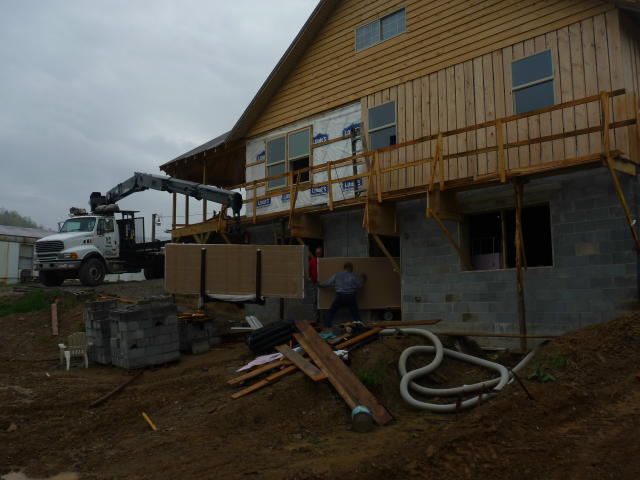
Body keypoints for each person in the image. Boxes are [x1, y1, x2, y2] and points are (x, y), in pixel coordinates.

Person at [320, 262, 366, 330]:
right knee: (355, 312)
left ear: (344, 268)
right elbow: (360, 286)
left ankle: (327, 326)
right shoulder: (353, 276)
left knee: (331, 311)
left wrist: (320, 284)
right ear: (349, 267)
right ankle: (359, 325)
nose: (353, 269)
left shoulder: (337, 275)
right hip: (350, 297)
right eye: (352, 268)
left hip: (340, 296)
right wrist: (364, 280)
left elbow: (328, 282)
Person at [308, 246, 323, 323]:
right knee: (315, 301)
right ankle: (316, 317)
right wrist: (310, 278)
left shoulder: (324, 261)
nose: (318, 253)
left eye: (319, 252)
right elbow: (309, 271)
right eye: (317, 252)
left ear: (321, 253)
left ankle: (322, 317)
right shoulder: (312, 261)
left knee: (322, 300)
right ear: (315, 253)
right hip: (314, 283)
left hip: (323, 283)